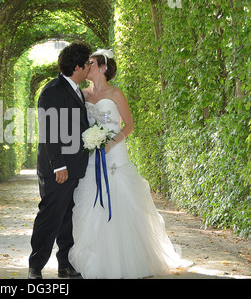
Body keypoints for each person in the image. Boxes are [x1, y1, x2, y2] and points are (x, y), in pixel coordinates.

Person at [68, 49, 192, 279]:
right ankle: (97, 260)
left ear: (103, 67)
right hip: (92, 154)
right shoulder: (81, 94)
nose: (87, 66)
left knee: (120, 196)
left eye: (91, 63)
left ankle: (128, 259)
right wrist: (90, 141)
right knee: (90, 199)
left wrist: (110, 143)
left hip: (114, 153)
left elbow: (129, 125)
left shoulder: (116, 93)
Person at [28, 42, 92, 279]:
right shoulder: (52, 90)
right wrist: (59, 165)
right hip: (58, 168)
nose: (88, 68)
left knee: (67, 217)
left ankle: (64, 264)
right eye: (86, 64)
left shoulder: (75, 90)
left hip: (74, 166)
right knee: (50, 216)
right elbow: (49, 131)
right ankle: (35, 267)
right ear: (77, 66)